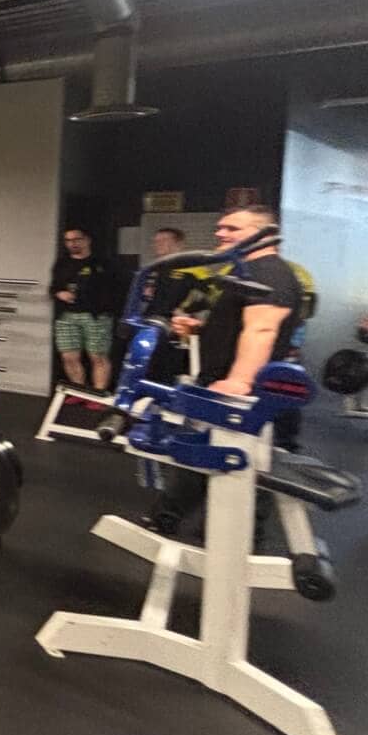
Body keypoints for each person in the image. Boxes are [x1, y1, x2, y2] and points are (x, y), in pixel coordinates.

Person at [152, 205, 304, 533]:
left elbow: (262, 328)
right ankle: (171, 517)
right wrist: (200, 328)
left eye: (232, 228)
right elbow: (239, 326)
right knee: (200, 450)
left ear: (265, 234)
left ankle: (236, 537)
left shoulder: (269, 273)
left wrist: (240, 381)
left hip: (242, 392)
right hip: (219, 383)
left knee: (242, 463)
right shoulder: (245, 271)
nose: (220, 233)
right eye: (220, 227)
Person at [49, 226, 116, 391]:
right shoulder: (62, 263)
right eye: (68, 240)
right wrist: (60, 293)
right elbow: (53, 287)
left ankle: (98, 394)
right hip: (67, 316)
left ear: (86, 240)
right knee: (68, 356)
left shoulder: (102, 263)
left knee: (98, 356)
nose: (72, 244)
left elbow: (116, 288)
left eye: (76, 240)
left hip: (95, 316)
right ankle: (78, 391)